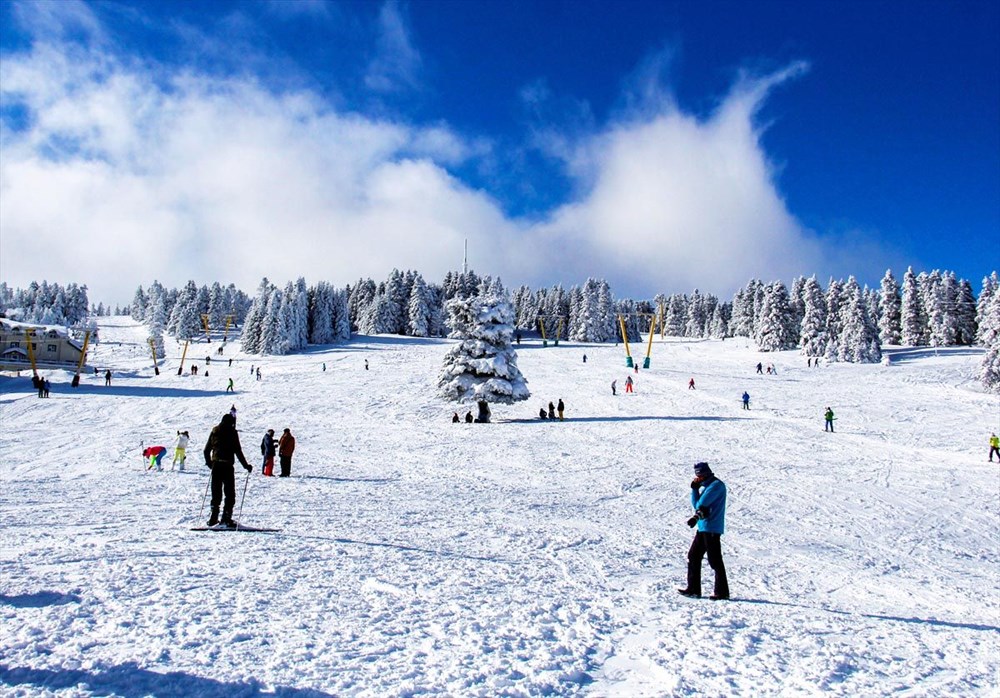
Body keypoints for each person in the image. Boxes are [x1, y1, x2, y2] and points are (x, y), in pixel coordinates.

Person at [678, 462, 729, 601]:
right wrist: (694, 490)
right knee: (693, 556)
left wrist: (696, 489)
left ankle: (722, 592)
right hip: (703, 528)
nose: (698, 478)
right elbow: (696, 505)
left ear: (706, 473)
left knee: (715, 560)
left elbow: (700, 504)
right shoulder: (707, 487)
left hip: (712, 528)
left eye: (700, 475)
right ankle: (693, 589)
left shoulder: (716, 486)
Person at [203, 413, 252, 527]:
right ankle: (226, 518)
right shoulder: (232, 433)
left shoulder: (215, 431)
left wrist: (210, 464)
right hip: (228, 466)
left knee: (216, 493)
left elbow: (206, 450)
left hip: (216, 466)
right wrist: (246, 466)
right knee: (230, 494)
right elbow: (238, 451)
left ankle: (213, 518)